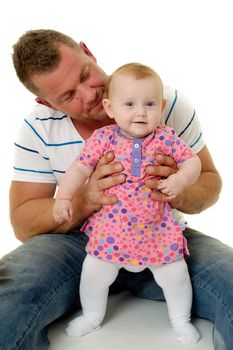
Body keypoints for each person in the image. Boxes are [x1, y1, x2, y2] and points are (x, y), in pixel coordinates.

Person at [0, 28, 231, 350]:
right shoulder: (38, 127)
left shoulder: (162, 102)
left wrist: (177, 189)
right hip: (81, 239)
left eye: (85, 74)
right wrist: (83, 200)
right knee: (5, 300)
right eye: (68, 96)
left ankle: (180, 320)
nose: (89, 93)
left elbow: (210, 181)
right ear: (46, 102)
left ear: (88, 52)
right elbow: (22, 223)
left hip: (161, 231)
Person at [53, 62, 201, 343]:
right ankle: (92, 316)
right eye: (130, 104)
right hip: (113, 229)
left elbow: (192, 162)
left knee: (176, 275)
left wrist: (181, 180)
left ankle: (180, 320)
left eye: (149, 104)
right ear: (110, 108)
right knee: (94, 273)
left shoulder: (166, 137)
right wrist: (63, 197)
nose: (141, 112)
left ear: (162, 105)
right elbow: (79, 169)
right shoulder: (103, 139)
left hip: (156, 228)